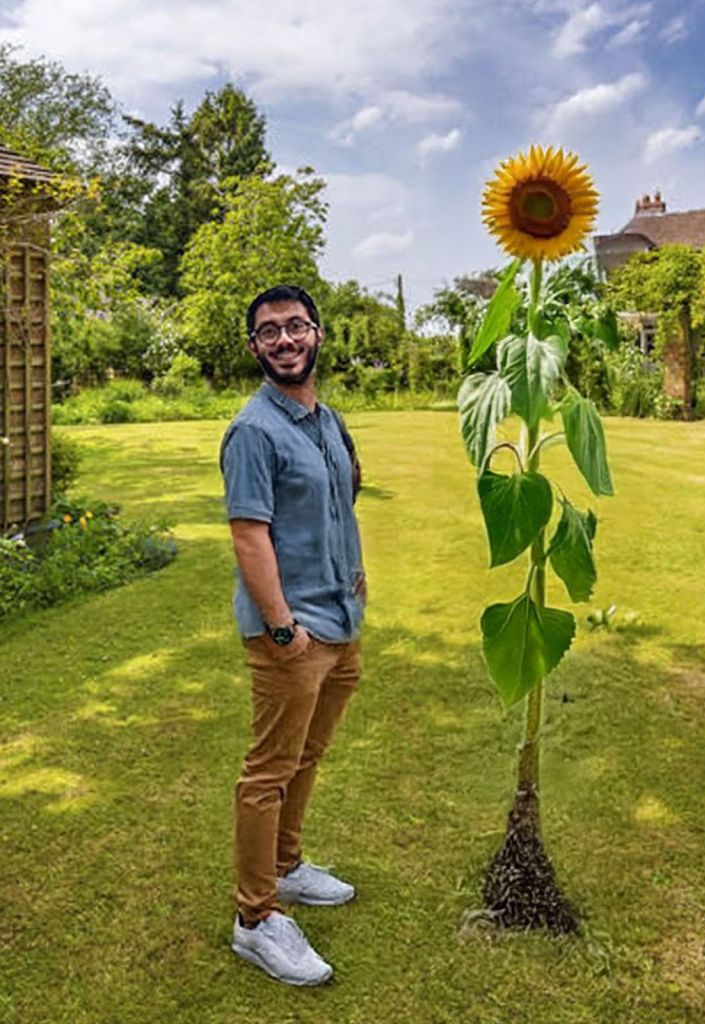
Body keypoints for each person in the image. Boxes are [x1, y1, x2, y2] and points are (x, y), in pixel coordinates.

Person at [219, 284, 365, 986]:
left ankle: (287, 865)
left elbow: (340, 504)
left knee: (308, 755)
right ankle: (255, 919)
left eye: (295, 326)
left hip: (341, 622)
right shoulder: (254, 430)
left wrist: (356, 579)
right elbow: (250, 535)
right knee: (268, 773)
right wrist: (282, 628)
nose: (284, 339)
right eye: (269, 331)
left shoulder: (327, 420)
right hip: (292, 634)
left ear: (318, 334)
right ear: (255, 348)